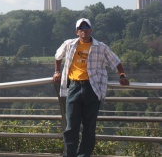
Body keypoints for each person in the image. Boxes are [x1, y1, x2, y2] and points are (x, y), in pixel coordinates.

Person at [53, 18, 130, 157]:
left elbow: (116, 61)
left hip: (92, 89)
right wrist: (57, 72)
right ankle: (70, 154)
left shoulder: (101, 47)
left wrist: (122, 75)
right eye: (81, 28)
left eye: (86, 27)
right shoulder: (69, 44)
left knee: (89, 127)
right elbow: (58, 56)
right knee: (71, 126)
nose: (84, 30)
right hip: (74, 87)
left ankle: (84, 155)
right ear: (77, 32)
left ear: (91, 30)